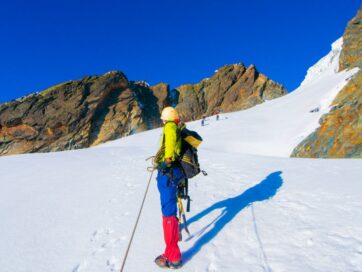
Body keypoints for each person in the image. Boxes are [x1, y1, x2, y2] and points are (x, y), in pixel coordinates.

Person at [154, 107, 184, 269]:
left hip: (169, 172)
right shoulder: (176, 126)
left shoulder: (170, 127)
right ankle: (174, 236)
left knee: (168, 212)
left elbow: (170, 142)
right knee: (169, 208)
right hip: (175, 173)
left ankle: (173, 256)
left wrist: (166, 161)